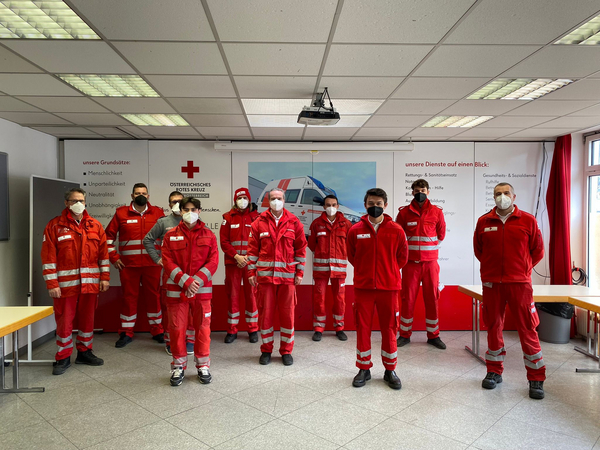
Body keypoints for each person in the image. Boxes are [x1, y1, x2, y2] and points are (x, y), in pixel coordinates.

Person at [474, 182, 546, 400]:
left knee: (527, 328)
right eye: (498, 194)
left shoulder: (528, 221)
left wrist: (521, 269)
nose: (502, 197)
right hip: (492, 283)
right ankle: (494, 372)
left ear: (514, 196)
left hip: (520, 284)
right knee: (493, 325)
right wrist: (493, 270)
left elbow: (538, 251)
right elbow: (479, 251)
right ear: (493, 197)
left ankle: (536, 377)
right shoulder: (483, 222)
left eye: (506, 193)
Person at [41, 188, 109, 375]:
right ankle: (63, 356)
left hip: (90, 284)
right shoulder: (54, 226)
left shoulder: (95, 225)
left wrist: (104, 278)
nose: (78, 204)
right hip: (65, 286)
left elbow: (103, 256)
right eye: (74, 200)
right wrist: (52, 284)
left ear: (86, 202)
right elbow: (48, 258)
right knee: (64, 320)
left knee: (88, 319)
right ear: (66, 203)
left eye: (81, 200)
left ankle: (84, 352)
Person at [347, 188, 408, 390]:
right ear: (365, 205)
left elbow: (402, 258)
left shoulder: (397, 230)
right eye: (371, 204)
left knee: (389, 328)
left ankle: (390, 370)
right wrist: (367, 272)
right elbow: (352, 256)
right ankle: (363, 368)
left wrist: (387, 272)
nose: (375, 207)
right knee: (362, 328)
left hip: (389, 288)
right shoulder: (355, 230)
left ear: (385, 205)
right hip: (363, 287)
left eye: (379, 204)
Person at [161, 197, 218, 386]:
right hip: (177, 292)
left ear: (200, 211)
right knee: (176, 329)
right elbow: (167, 261)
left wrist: (196, 281)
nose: (190, 213)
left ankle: (203, 366)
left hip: (202, 293)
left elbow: (213, 261)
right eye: (186, 209)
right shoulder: (170, 235)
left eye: (194, 209)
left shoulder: (209, 235)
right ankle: (178, 367)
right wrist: (185, 280)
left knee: (203, 329)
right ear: (181, 211)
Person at [247, 188, 307, 366]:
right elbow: (252, 251)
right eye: (273, 198)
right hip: (265, 279)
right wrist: (251, 272)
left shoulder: (294, 222)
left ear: (284, 200)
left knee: (288, 316)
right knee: (265, 315)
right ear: (268, 200)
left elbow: (301, 249)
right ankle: (266, 350)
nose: (276, 201)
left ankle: (286, 351)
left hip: (287, 279)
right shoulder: (258, 223)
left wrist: (300, 273)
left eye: (279, 198)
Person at [106, 183, 165, 348]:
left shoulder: (158, 213)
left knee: (154, 297)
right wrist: (114, 257)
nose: (141, 195)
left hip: (152, 265)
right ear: (132, 196)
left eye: (144, 193)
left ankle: (157, 330)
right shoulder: (120, 213)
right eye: (138, 193)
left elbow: (167, 237)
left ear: (148, 196)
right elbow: (108, 238)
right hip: (128, 266)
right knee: (128, 299)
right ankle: (126, 332)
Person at [396, 179, 447, 349]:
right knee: (407, 299)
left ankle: (433, 335)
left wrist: (427, 251)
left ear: (428, 191)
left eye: (423, 190)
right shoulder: (404, 213)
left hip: (430, 264)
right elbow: (399, 237)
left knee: (432, 298)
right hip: (410, 264)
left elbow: (441, 235)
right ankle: (404, 334)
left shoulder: (436, 212)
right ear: (412, 192)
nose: (420, 193)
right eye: (417, 190)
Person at [143, 190, 195, 356]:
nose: (177, 204)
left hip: (189, 274)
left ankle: (189, 341)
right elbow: (147, 240)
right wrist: (158, 259)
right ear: (169, 205)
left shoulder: (194, 221)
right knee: (170, 310)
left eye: (180, 201)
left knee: (191, 308)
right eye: (174, 202)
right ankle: (170, 341)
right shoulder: (163, 222)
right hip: (170, 275)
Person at [307, 194, 352, 342]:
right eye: (328, 205)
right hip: (321, 270)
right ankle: (319, 328)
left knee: (340, 299)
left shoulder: (346, 224)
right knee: (319, 299)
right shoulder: (316, 224)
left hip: (339, 270)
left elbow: (350, 246)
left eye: (334, 205)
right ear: (324, 206)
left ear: (338, 206)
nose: (331, 207)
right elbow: (312, 245)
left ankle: (339, 328)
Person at [220, 187, 259, 344]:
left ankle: (253, 329)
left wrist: (248, 258)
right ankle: (232, 329)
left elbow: (260, 242)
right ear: (235, 200)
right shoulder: (228, 218)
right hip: (233, 263)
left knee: (252, 296)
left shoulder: (257, 218)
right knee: (233, 296)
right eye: (239, 198)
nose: (242, 200)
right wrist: (236, 256)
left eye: (244, 197)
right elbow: (224, 241)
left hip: (251, 264)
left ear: (249, 199)